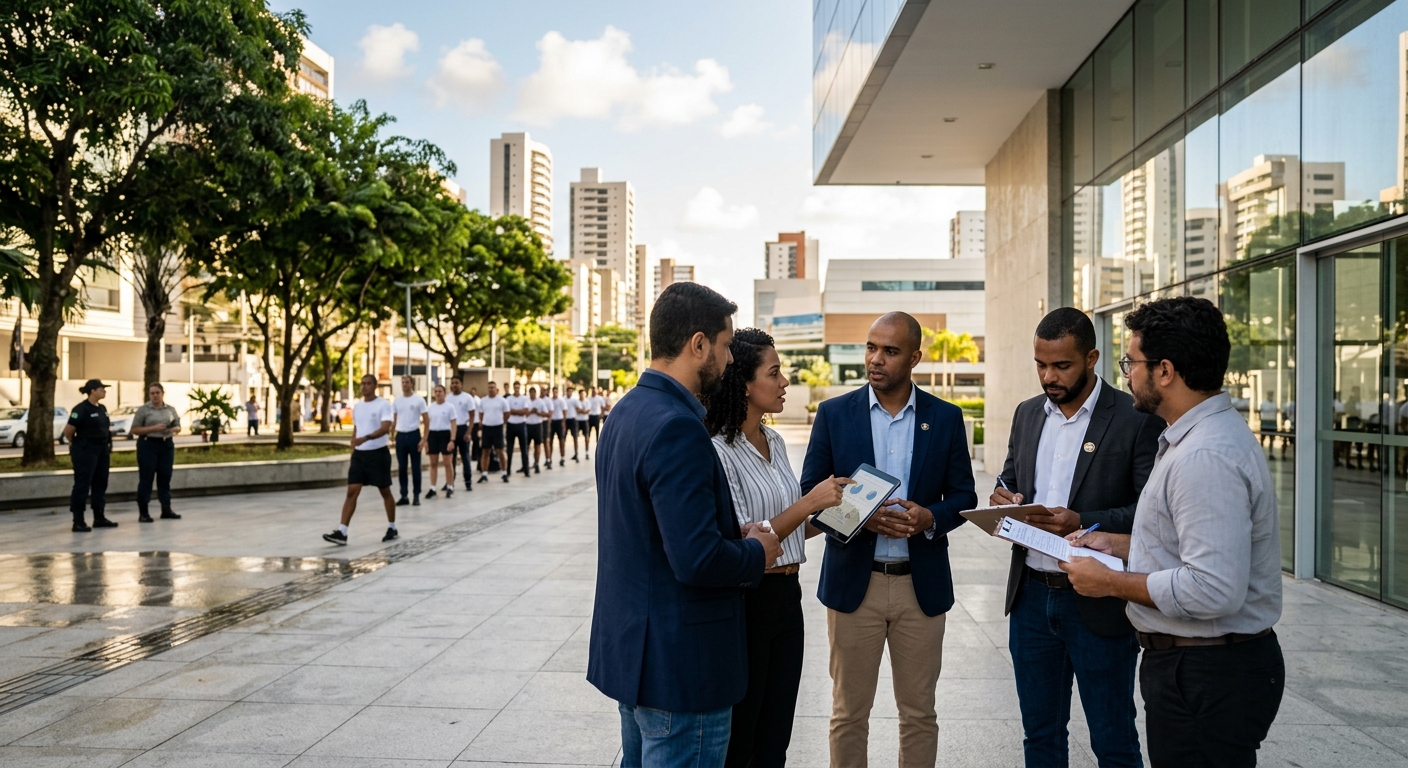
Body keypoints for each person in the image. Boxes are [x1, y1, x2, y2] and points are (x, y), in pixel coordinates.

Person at [1061, 296, 1284, 768]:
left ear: (1165, 370)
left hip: (1207, 672)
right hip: (1202, 668)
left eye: (1131, 362)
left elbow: (1213, 588)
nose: (1127, 375)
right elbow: (1191, 549)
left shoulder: (1204, 456)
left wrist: (1110, 582)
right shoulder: (1194, 438)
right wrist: (1121, 545)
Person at [589, 282, 783, 767]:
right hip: (682, 667)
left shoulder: (627, 411)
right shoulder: (678, 425)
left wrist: (726, 534)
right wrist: (758, 550)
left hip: (636, 655)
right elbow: (697, 561)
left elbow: (649, 532)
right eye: (724, 345)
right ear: (698, 345)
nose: (730, 359)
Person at [799, 311, 977, 768]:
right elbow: (809, 497)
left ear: (915, 357)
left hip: (921, 587)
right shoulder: (835, 415)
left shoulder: (945, 417)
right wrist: (862, 517)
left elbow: (964, 496)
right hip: (854, 585)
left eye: (890, 351)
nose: (875, 359)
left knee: (919, 714)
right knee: (847, 714)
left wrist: (928, 517)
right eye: (871, 348)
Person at [991, 308, 1162, 767]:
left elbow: (1150, 513)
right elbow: (1009, 478)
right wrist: (1003, 501)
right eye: (1040, 365)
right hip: (1029, 598)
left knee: (1113, 737)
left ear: (1091, 358)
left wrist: (1081, 519)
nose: (1049, 376)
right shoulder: (1028, 414)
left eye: (1061, 365)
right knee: (1040, 735)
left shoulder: (1134, 417)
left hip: (1097, 602)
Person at [702, 327, 850, 767]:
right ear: (745, 384)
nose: (785, 381)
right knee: (743, 735)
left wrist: (834, 518)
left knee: (776, 735)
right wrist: (809, 501)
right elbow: (748, 536)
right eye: (775, 372)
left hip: (788, 597)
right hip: (748, 601)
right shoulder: (717, 450)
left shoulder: (778, 441)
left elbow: (787, 530)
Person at [324, 374, 399, 545]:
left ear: (375, 386)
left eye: (368, 384)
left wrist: (366, 438)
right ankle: (342, 531)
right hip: (360, 454)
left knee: (384, 491)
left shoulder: (383, 405)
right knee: (352, 490)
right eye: (362, 383)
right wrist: (354, 442)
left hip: (378, 453)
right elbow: (357, 428)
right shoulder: (358, 406)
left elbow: (385, 428)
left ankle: (392, 526)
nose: (364, 386)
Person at [64, 379, 117, 532]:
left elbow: (106, 427)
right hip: (86, 450)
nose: (104, 391)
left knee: (100, 482)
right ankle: (78, 520)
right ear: (93, 391)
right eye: (102, 389)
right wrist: (78, 444)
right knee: (82, 484)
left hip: (101, 450)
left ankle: (99, 516)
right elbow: (68, 431)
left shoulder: (102, 408)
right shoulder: (81, 409)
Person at [131, 382, 185, 523]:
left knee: (165, 478)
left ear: (162, 394)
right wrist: (153, 428)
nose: (155, 396)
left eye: (157, 393)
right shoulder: (144, 410)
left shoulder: (170, 410)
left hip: (166, 444)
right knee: (146, 479)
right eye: (152, 393)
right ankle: (144, 512)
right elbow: (135, 429)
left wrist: (174, 429)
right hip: (148, 444)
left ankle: (166, 509)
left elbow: (177, 425)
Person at [391, 375, 429, 506]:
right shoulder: (397, 400)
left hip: (414, 434)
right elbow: (394, 418)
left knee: (415, 466)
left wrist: (424, 438)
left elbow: (426, 419)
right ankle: (404, 495)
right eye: (403, 382)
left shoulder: (419, 400)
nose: (404, 384)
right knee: (402, 467)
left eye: (407, 382)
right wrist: (392, 434)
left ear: (412, 384)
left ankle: (416, 495)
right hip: (401, 435)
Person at [424, 384, 457, 499]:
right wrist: (426, 440)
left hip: (445, 434)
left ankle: (449, 486)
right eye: (436, 391)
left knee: (447, 463)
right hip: (433, 434)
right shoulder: (430, 407)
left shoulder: (449, 407)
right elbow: (427, 424)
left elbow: (453, 424)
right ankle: (433, 488)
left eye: (440, 391)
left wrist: (452, 440)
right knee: (433, 463)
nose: (438, 393)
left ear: (444, 393)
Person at [478, 381, 512, 483]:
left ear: (496, 389)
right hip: (487, 427)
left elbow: (507, 413)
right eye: (489, 387)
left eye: (492, 387)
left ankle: (504, 473)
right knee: (485, 451)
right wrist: (483, 422)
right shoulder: (483, 400)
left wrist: (502, 422)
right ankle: (484, 474)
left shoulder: (501, 400)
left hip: (497, 427)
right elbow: (481, 414)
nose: (491, 389)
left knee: (500, 451)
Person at [447, 377, 476, 492]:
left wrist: (469, 431)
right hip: (451, 430)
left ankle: (468, 481)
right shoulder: (448, 398)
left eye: (456, 383)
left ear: (461, 384)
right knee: (450, 458)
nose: (454, 385)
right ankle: (450, 482)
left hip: (463, 428)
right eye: (452, 383)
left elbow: (472, 416)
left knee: (465, 456)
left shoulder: (467, 398)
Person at [505, 381, 532, 478]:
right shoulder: (509, 399)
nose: (516, 389)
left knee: (524, 449)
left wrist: (514, 411)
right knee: (509, 450)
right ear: (513, 388)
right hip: (511, 424)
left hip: (521, 424)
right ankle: (507, 470)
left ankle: (526, 469)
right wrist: (517, 411)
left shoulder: (524, 398)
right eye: (515, 387)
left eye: (518, 387)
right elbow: (507, 412)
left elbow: (525, 411)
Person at [525, 385, 546, 474]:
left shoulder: (540, 402)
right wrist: (530, 411)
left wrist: (537, 412)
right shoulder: (526, 401)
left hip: (537, 425)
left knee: (537, 445)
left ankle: (536, 462)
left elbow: (545, 413)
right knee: (527, 446)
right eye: (531, 393)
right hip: (528, 424)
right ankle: (526, 463)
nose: (532, 394)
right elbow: (524, 413)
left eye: (534, 393)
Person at [548, 385, 568, 468]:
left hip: (559, 421)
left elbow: (564, 411)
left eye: (556, 392)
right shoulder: (550, 401)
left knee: (561, 441)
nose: (555, 393)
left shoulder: (561, 400)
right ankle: (549, 458)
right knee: (550, 441)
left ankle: (562, 457)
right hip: (553, 421)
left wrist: (563, 422)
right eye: (554, 391)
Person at [563, 384, 582, 461]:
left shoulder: (574, 400)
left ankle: (576, 453)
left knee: (575, 436)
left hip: (573, 419)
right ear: (566, 392)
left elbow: (579, 408)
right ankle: (563, 455)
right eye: (568, 391)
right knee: (563, 437)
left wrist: (578, 410)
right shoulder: (563, 399)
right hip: (566, 419)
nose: (570, 393)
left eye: (571, 391)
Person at [575, 387, 592, 458]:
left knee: (587, 436)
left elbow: (587, 411)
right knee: (576, 437)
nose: (582, 395)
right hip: (578, 420)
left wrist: (581, 411)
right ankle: (576, 453)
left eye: (583, 394)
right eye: (581, 394)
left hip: (585, 420)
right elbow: (578, 410)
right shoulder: (576, 401)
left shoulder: (587, 401)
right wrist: (583, 411)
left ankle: (587, 452)